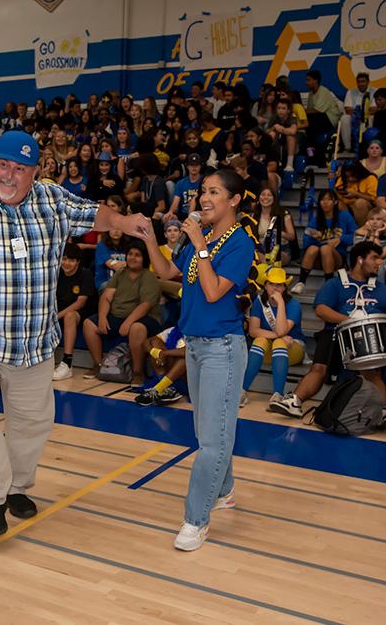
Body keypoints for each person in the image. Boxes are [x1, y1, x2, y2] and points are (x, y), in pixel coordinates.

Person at [0, 130, 150, 538]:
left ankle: (15, 487)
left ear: (35, 171)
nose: (9, 175)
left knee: (33, 422)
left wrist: (124, 221)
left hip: (34, 340)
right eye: (3, 164)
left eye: (20, 168)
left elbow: (93, 214)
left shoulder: (52, 199)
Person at [138, 168, 256, 551]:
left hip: (222, 347)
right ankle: (225, 490)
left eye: (214, 192)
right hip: (196, 346)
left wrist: (199, 243)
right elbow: (168, 272)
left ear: (234, 200)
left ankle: (196, 521)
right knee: (211, 433)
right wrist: (151, 241)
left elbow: (211, 291)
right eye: (203, 191)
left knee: (211, 442)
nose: (204, 198)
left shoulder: (239, 243)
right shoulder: (201, 237)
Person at [270, 241, 386, 427]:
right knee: (318, 368)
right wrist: (348, 321)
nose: (379, 262)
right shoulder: (336, 284)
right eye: (375, 258)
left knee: (373, 372)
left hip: (368, 338)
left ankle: (383, 410)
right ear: (360, 259)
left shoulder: (382, 289)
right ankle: (294, 401)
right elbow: (321, 309)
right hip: (335, 333)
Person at [82, 243, 163, 386]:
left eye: (137, 255)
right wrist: (102, 317)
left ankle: (138, 373)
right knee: (89, 324)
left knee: (136, 328)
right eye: (130, 254)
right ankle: (99, 365)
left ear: (144, 259)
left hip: (145, 318)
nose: (133, 258)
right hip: (118, 315)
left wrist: (128, 322)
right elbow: (106, 297)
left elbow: (145, 305)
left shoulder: (149, 277)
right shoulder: (120, 273)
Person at [241, 268, 304, 405]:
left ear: (285, 287)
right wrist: (278, 336)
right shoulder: (259, 303)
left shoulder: (293, 305)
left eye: (279, 284)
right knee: (261, 340)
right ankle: (242, 391)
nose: (275, 288)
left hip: (293, 348)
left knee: (279, 342)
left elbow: (282, 330)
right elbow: (253, 331)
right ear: (265, 285)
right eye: (271, 284)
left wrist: (280, 303)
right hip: (269, 348)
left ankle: (278, 395)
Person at [290, 189, 357, 294]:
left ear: (335, 202)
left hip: (337, 257)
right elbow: (306, 240)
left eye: (329, 200)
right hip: (317, 258)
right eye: (322, 200)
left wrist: (340, 239)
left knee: (326, 248)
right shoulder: (316, 219)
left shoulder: (344, 216)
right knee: (313, 248)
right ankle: (301, 282)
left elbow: (355, 236)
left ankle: (328, 284)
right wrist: (317, 239)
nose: (325, 202)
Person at [53, 243, 95, 381]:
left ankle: (67, 363)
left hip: (82, 312)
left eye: (71, 260)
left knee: (70, 316)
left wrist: (57, 316)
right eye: (64, 259)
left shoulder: (85, 274)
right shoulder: (56, 274)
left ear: (77, 262)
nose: (67, 263)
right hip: (60, 310)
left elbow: (80, 303)